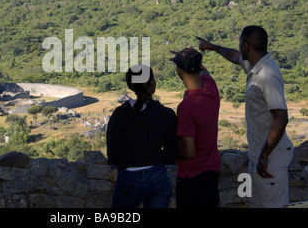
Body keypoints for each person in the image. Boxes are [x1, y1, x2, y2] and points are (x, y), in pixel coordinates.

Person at [197, 25, 294, 208]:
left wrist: (264, 157)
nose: (239, 45)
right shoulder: (254, 65)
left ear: (247, 46)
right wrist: (213, 47)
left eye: (240, 41)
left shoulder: (267, 74)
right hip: (259, 156)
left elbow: (281, 118)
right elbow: (234, 56)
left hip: (270, 158)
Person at [106, 64, 178, 208]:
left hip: (128, 176)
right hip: (157, 174)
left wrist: (125, 165)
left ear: (131, 86)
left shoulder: (119, 114)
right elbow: (172, 151)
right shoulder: (167, 114)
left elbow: (112, 152)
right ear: (152, 84)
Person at [170, 47, 221, 208]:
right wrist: (191, 57)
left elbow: (189, 151)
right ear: (199, 66)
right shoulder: (211, 88)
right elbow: (204, 71)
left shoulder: (186, 106)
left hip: (191, 176)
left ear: (178, 70)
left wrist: (169, 153)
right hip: (212, 171)